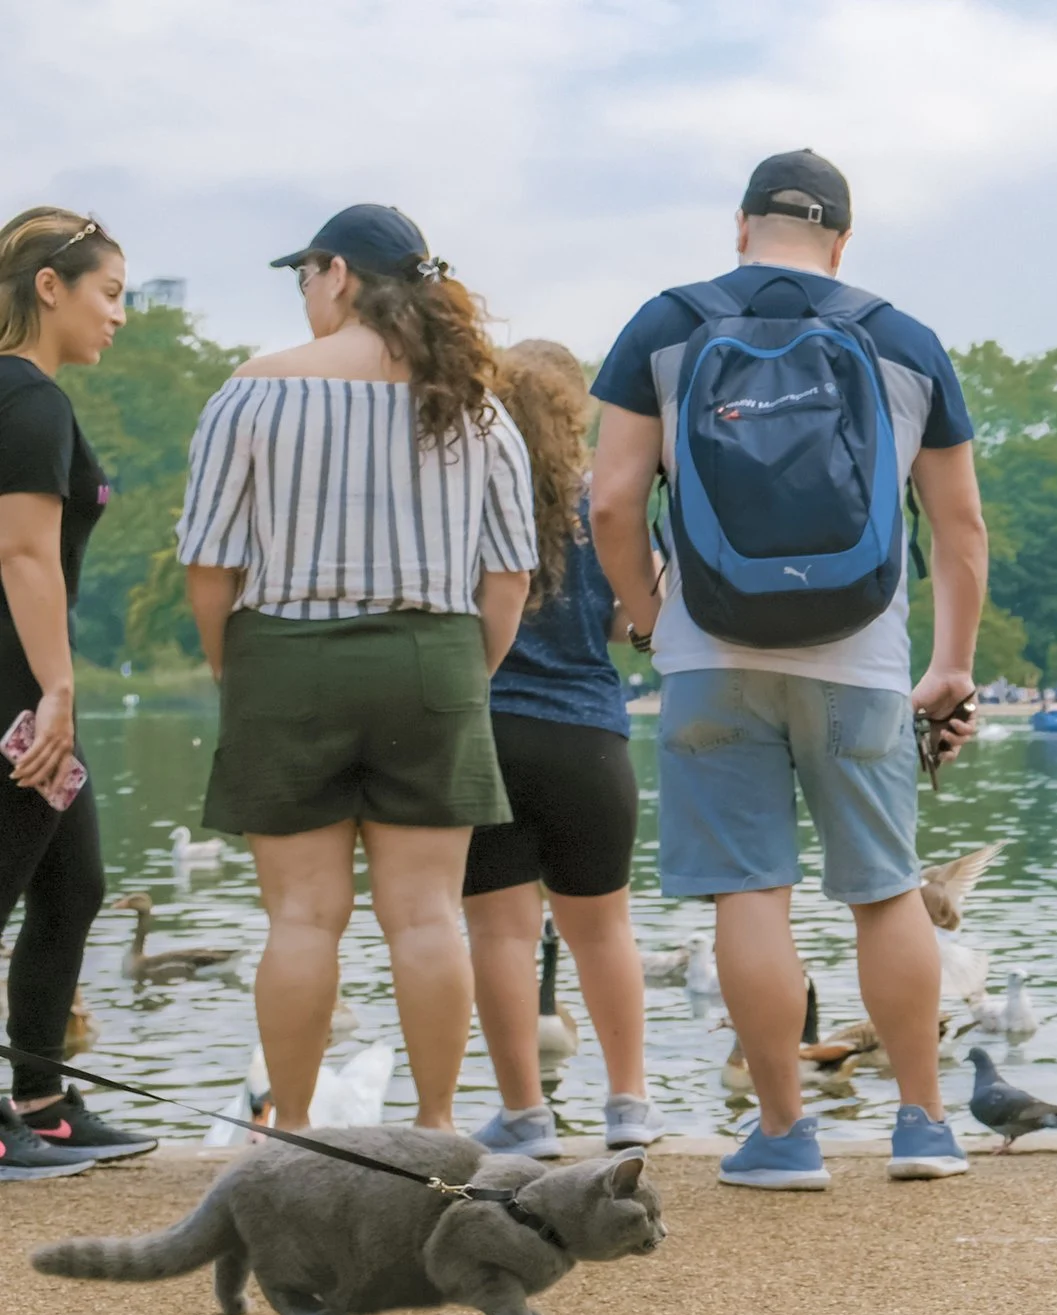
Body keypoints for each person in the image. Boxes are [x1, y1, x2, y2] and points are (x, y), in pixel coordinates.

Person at [587, 149, 985, 1189]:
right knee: (886, 889)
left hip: (710, 652)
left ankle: (783, 1134)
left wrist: (645, 613)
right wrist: (950, 665)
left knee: (749, 894)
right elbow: (961, 528)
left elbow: (613, 503)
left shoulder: (664, 328)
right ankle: (923, 1124)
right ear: (842, 239)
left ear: (741, 225)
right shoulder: (901, 339)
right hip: (860, 657)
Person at [177, 205, 536, 1133]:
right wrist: (467, 672)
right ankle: (436, 1128)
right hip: (434, 658)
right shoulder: (476, 405)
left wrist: (236, 670)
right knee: (424, 917)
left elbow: (211, 564)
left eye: (304, 276)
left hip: (286, 656)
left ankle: (292, 1132)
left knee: (302, 916)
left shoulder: (253, 393)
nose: (303, 295)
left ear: (336, 274)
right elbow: (509, 573)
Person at [461, 340, 658, 1156]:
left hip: (491, 726)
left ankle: (526, 1113)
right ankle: (629, 1103)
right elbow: (625, 623)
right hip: (587, 733)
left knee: (503, 934)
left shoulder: (470, 493)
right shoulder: (600, 503)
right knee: (604, 930)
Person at [0, 208, 155, 1177]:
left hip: (30, 684)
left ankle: (44, 1098)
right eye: (110, 293)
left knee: (75, 884)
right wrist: (59, 687)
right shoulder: (30, 400)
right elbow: (23, 551)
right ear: (49, 287)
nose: (120, 316)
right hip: (20, 693)